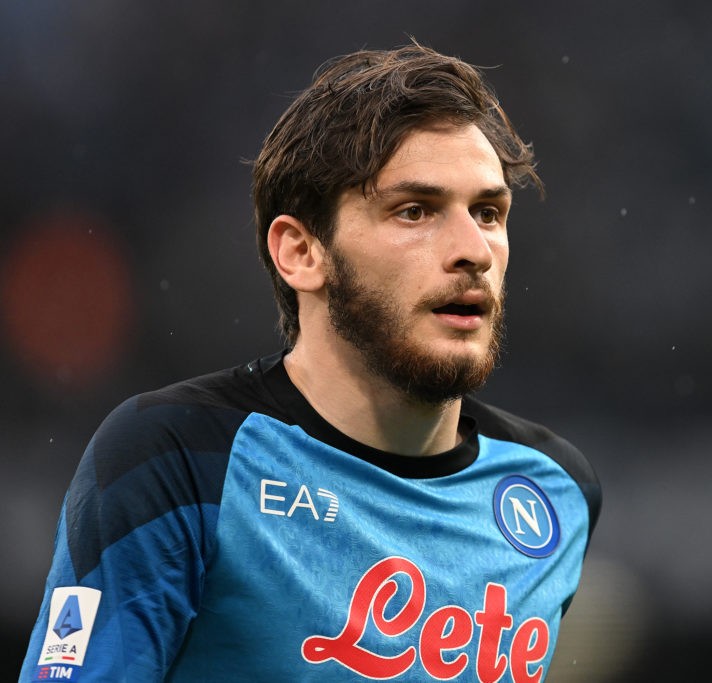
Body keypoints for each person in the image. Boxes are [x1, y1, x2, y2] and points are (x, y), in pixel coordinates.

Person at [20, 43, 601, 682]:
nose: (473, 251)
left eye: (488, 213)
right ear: (300, 252)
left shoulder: (557, 493)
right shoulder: (176, 461)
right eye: (415, 210)